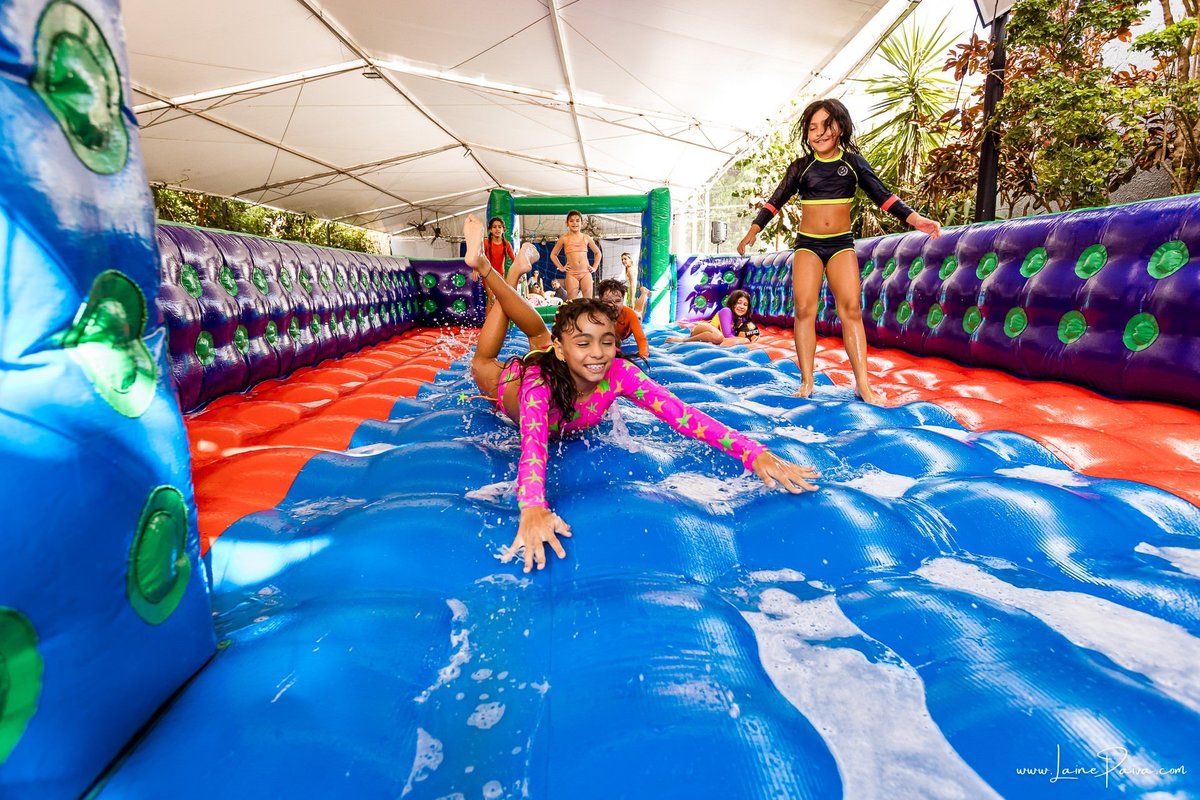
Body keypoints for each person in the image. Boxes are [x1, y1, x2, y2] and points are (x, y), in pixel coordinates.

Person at [460, 214, 819, 573]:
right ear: (563, 349)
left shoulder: (616, 372)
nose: (598, 353)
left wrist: (753, 453)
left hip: (556, 354)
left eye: (607, 342)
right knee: (482, 361)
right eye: (585, 342)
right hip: (511, 385)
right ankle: (500, 272)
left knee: (543, 332)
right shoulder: (538, 387)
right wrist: (533, 506)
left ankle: (533, 306)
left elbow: (684, 416)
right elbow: (534, 446)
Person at [736, 98, 941, 404]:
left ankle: (863, 384)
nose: (818, 133)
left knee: (851, 310)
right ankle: (806, 381)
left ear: (840, 127)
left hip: (841, 244)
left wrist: (915, 219)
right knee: (804, 310)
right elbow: (775, 200)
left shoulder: (854, 164)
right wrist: (754, 230)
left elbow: (882, 196)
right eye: (812, 127)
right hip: (808, 244)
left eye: (826, 125)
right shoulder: (801, 168)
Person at [667, 290, 760, 346]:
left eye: (745, 304)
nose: (741, 306)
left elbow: (748, 331)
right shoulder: (726, 311)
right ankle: (683, 340)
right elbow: (727, 335)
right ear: (732, 303)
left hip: (713, 336)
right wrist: (744, 340)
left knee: (718, 338)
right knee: (719, 337)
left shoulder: (742, 319)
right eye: (738, 302)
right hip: (703, 328)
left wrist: (753, 336)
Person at [550, 210, 601, 299]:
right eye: (571, 221)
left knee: (588, 301)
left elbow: (598, 253)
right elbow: (553, 255)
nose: (575, 223)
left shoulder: (586, 237)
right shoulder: (564, 238)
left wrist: (594, 267)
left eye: (577, 220)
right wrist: (561, 267)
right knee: (572, 302)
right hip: (572, 273)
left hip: (586, 272)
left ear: (582, 223)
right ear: (567, 223)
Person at [596, 278, 649, 359]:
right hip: (615, 335)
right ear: (600, 301)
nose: (613, 305)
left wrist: (644, 356)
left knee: (639, 312)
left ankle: (644, 294)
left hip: (632, 322)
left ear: (623, 300)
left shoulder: (629, 314)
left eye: (617, 301)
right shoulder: (595, 313)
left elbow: (641, 339)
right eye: (608, 302)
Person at [480, 217, 516, 308]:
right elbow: (479, 257)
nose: (497, 229)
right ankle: (488, 321)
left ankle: (499, 322)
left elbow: (514, 260)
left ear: (503, 229)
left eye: (499, 227)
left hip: (500, 276)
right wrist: (475, 270)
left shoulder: (506, 244)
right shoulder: (486, 243)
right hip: (488, 276)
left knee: (500, 300)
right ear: (490, 230)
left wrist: (520, 274)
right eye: (494, 227)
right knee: (491, 298)